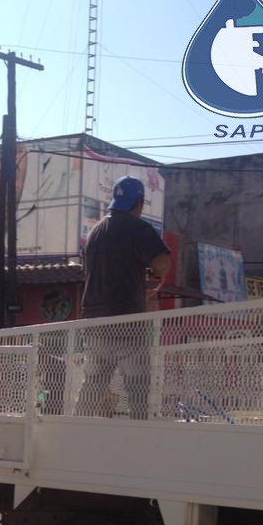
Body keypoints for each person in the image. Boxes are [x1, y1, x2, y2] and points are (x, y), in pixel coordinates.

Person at [77, 175, 171, 418]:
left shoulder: (95, 232)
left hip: (94, 321)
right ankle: (139, 430)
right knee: (137, 382)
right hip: (126, 320)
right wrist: (153, 277)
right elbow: (162, 262)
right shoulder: (137, 227)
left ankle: (76, 427)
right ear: (138, 202)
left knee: (94, 381)